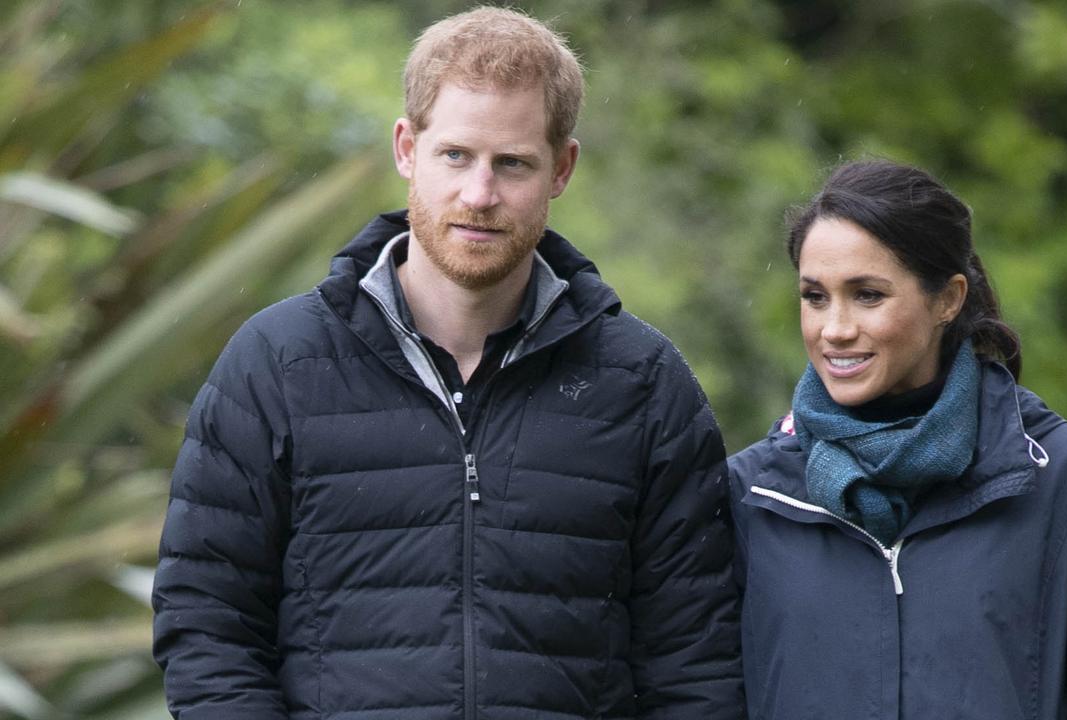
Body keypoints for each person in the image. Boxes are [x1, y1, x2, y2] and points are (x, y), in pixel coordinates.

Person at [151, 7, 743, 719]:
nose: (479, 195)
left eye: (513, 163)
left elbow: (697, 663)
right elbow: (207, 627)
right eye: (456, 155)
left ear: (562, 168)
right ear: (407, 148)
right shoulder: (276, 364)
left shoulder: (644, 385)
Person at [729, 159, 1067, 719]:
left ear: (948, 299)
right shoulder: (750, 495)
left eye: (868, 295)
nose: (834, 328)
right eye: (815, 297)